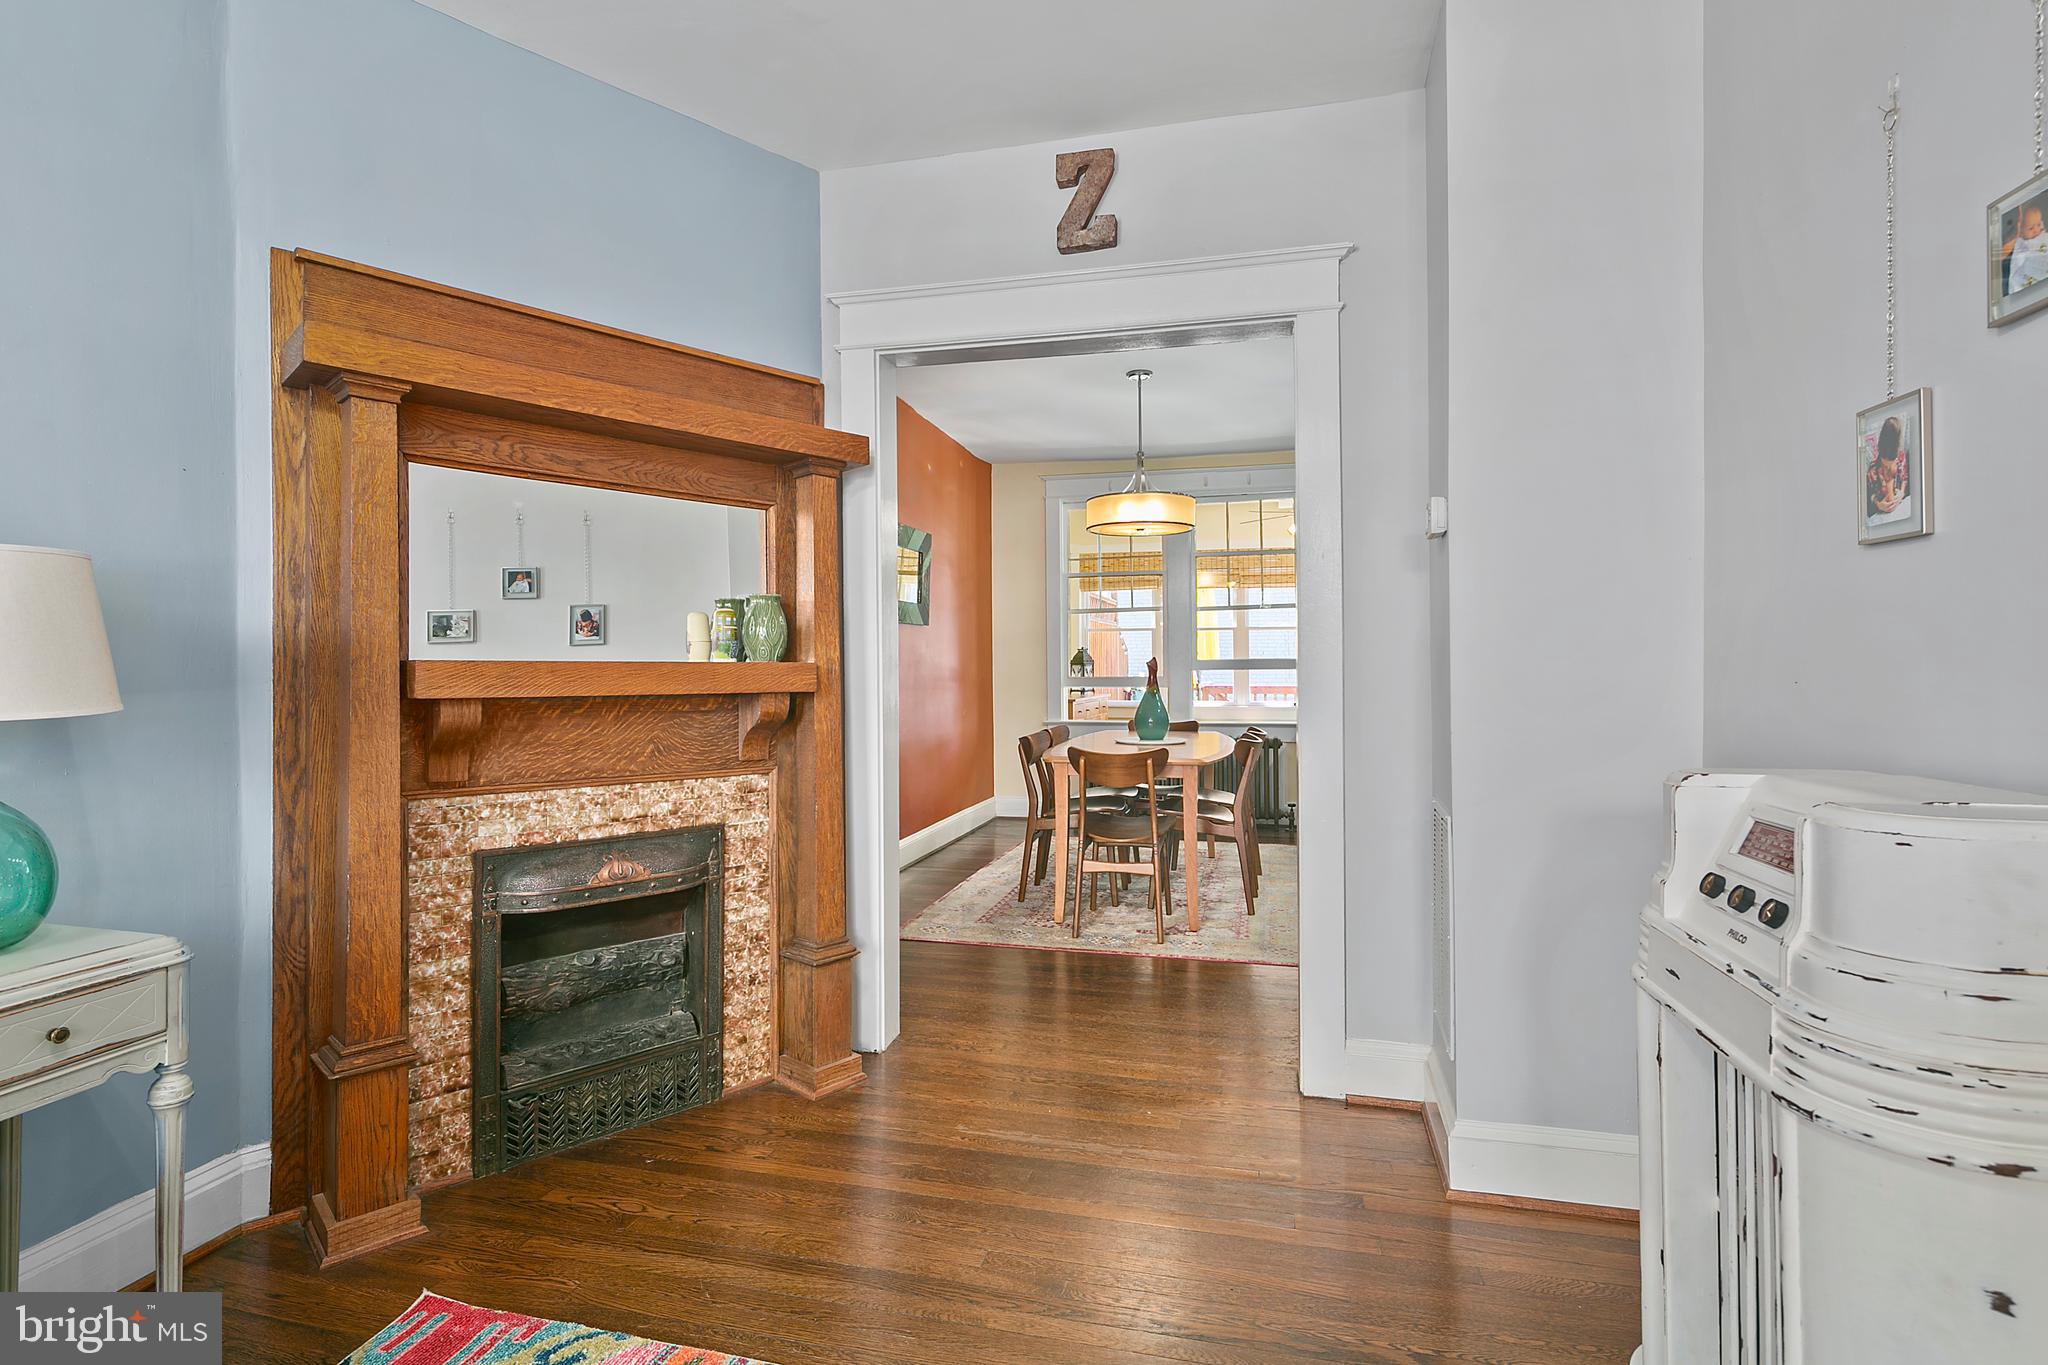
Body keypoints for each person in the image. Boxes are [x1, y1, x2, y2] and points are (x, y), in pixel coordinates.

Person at [1867, 416, 1909, 520]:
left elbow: (1904, 478)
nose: (1888, 470)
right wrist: (1878, 504)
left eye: (1891, 467)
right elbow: (1869, 495)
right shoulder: (1872, 470)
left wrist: (1902, 493)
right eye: (1885, 466)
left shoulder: (1901, 458)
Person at [2008, 201, 2048, 296]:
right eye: (2030, 228)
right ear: (2020, 232)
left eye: (2038, 225)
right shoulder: (2020, 245)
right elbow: (2018, 264)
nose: (2036, 230)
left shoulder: (2043, 236)